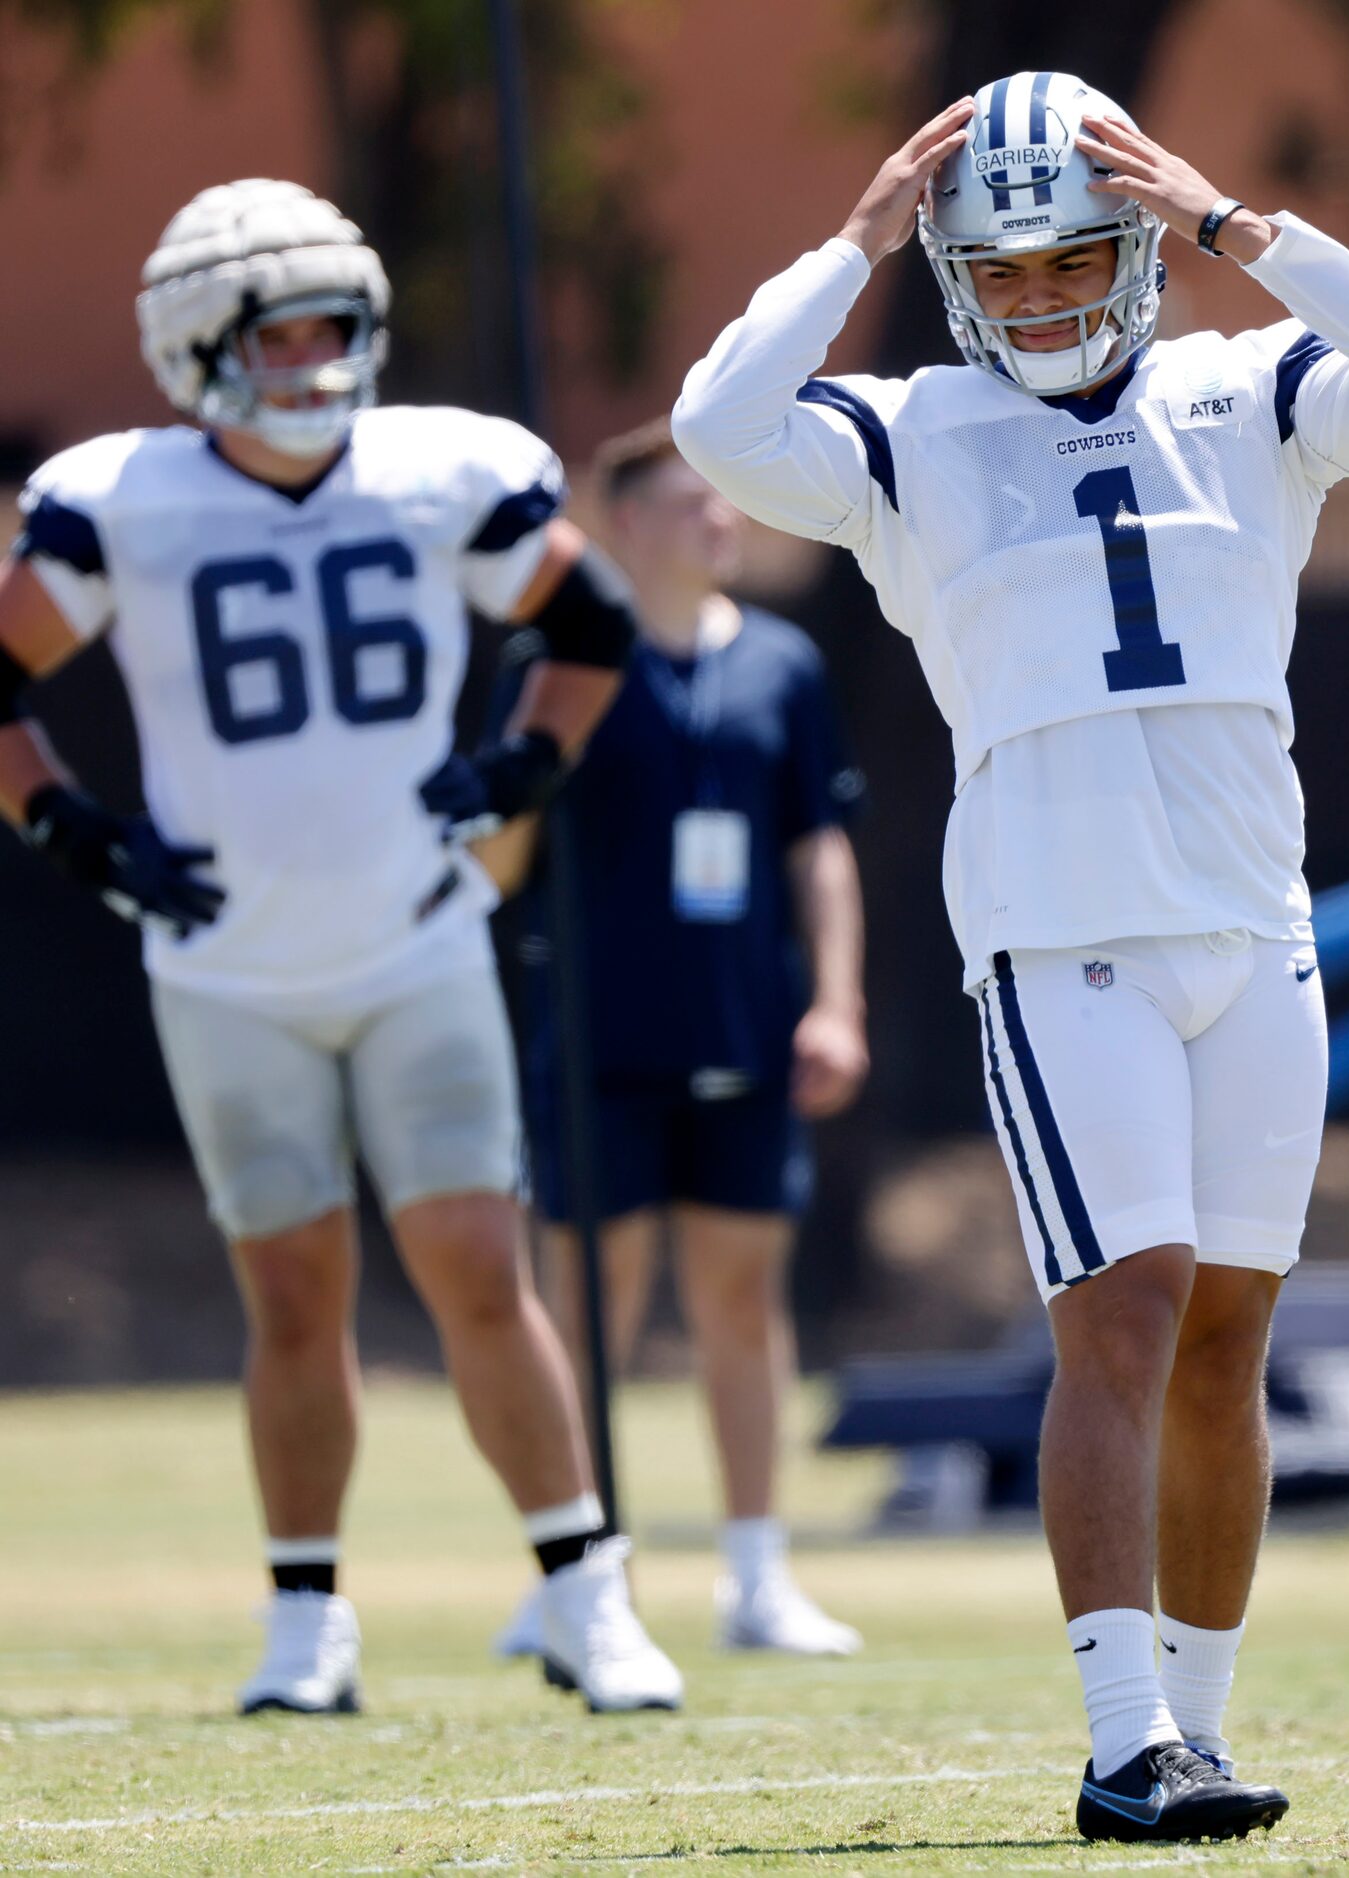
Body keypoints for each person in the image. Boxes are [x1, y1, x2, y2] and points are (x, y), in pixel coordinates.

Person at [674, 74, 1349, 1842]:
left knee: (1225, 1338)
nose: (1039, 300)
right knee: (1121, 1309)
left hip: (1254, 927)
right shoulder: (912, 431)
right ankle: (1123, 1736)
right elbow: (718, 424)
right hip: (1062, 939)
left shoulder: (1244, 383)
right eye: (1005, 273)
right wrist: (858, 241)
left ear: (1135, 253)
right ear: (962, 282)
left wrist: (1235, 225)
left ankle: (1197, 1725)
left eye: (1072, 263)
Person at [0, 179, 682, 1716]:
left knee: (477, 1269)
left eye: (331, 329)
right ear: (195, 345)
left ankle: (585, 1591)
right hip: (228, 964)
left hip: (415, 939)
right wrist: (72, 828)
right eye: (278, 330)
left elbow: (592, 627)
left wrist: (524, 764)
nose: (311, 360)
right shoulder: (126, 500)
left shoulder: (440, 470)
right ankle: (307, 1617)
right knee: (294, 1295)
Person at [479, 418, 869, 1658]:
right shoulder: (559, 664)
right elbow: (497, 860)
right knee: (588, 1311)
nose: (725, 520)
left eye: (727, 502)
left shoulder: (785, 667)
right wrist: (525, 780)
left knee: (743, 1302)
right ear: (624, 524)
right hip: (596, 1041)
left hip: (746, 1031)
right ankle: (577, 1581)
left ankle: (756, 1578)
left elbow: (822, 850)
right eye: (694, 503)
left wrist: (837, 1004)